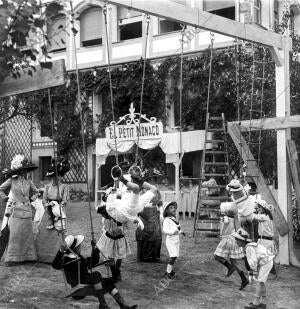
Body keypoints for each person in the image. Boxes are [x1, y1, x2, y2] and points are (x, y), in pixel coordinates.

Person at [52, 234, 138, 309]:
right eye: (80, 246)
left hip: (86, 281)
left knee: (107, 282)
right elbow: (55, 265)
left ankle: (122, 305)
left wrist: (94, 248)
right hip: (78, 283)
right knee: (96, 275)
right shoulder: (66, 260)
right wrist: (60, 251)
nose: (80, 247)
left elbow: (93, 261)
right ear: (76, 248)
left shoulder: (79, 258)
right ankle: (103, 304)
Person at [0, 154, 38, 264]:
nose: (24, 172)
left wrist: (32, 198)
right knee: (15, 235)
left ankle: (29, 257)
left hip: (27, 211)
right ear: (19, 170)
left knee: (27, 235)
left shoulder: (29, 182)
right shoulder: (12, 181)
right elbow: (1, 189)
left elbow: (37, 192)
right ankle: (12, 258)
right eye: (23, 170)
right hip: (15, 211)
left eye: (26, 170)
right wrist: (6, 199)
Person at [35, 157, 70, 263]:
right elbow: (44, 200)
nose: (55, 178)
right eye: (53, 176)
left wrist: (59, 206)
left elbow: (65, 200)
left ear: (60, 176)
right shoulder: (47, 187)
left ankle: (57, 256)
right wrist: (47, 205)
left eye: (57, 176)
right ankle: (43, 256)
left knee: (59, 232)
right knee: (45, 233)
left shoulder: (64, 187)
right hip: (48, 213)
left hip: (58, 212)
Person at [232, 228, 275, 309]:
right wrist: (251, 272)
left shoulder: (249, 248)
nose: (236, 241)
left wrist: (253, 272)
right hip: (267, 261)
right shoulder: (247, 247)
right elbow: (249, 261)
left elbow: (253, 261)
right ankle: (263, 302)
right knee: (261, 282)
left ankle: (256, 302)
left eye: (237, 240)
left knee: (259, 282)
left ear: (242, 241)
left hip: (266, 262)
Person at [214, 202, 249, 290]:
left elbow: (225, 222)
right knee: (234, 261)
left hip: (227, 239)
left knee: (217, 256)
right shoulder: (234, 218)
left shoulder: (226, 217)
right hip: (234, 238)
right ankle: (244, 279)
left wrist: (222, 232)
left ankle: (229, 267)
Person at [96, 199, 131, 283]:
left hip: (120, 238)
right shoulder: (105, 219)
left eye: (103, 214)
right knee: (110, 256)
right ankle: (114, 274)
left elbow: (123, 226)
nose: (103, 216)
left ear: (106, 212)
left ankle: (117, 270)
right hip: (110, 239)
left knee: (120, 255)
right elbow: (106, 228)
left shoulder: (118, 216)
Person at [252, 199, 278, 276]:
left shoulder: (264, 217)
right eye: (257, 208)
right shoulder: (267, 215)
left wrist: (251, 211)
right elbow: (271, 208)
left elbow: (253, 217)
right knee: (267, 257)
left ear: (263, 208)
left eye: (259, 208)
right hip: (265, 240)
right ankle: (273, 272)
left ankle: (259, 273)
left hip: (265, 240)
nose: (257, 209)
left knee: (260, 256)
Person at [136, 192, 162, 262]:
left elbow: (159, 202)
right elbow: (137, 210)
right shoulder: (142, 196)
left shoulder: (156, 197)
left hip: (154, 221)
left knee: (156, 236)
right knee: (143, 236)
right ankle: (143, 256)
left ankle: (154, 256)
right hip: (144, 220)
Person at [162, 201, 185, 279]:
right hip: (170, 241)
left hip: (176, 241)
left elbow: (178, 228)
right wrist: (172, 232)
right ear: (167, 211)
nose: (174, 209)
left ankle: (170, 271)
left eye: (174, 207)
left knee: (175, 257)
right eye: (171, 208)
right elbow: (165, 230)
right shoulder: (166, 220)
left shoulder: (174, 219)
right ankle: (167, 272)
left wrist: (181, 232)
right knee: (173, 256)